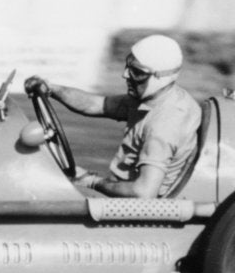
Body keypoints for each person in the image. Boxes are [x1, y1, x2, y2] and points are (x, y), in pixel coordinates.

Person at [25, 34, 202, 199]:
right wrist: (51, 88)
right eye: (127, 65)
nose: (124, 75)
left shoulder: (164, 126)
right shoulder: (159, 99)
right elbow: (96, 104)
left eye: (136, 72)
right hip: (122, 194)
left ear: (160, 77)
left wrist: (91, 181)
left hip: (138, 212)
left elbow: (143, 192)